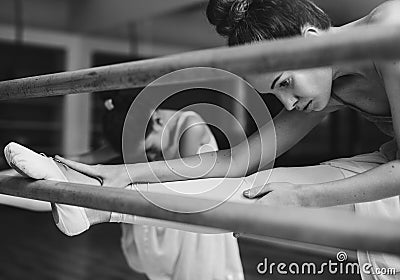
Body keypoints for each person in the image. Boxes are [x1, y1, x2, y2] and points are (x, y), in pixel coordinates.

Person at [5, 0, 400, 278]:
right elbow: (236, 161)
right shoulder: (323, 84)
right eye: (276, 94)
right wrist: (123, 174)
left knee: (282, 196)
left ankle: (97, 205)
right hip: (391, 167)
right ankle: (94, 204)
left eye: (285, 84)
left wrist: (298, 199)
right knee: (254, 192)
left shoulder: (389, 30)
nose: (288, 102)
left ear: (312, 39)